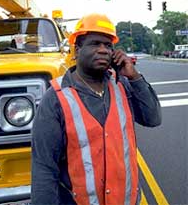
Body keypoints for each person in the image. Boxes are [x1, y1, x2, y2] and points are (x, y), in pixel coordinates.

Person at [31, 13, 162, 205]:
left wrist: (134, 77)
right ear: (77, 49)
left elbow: (153, 118)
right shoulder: (55, 98)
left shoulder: (123, 85)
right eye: (95, 44)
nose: (103, 50)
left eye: (108, 46)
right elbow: (44, 167)